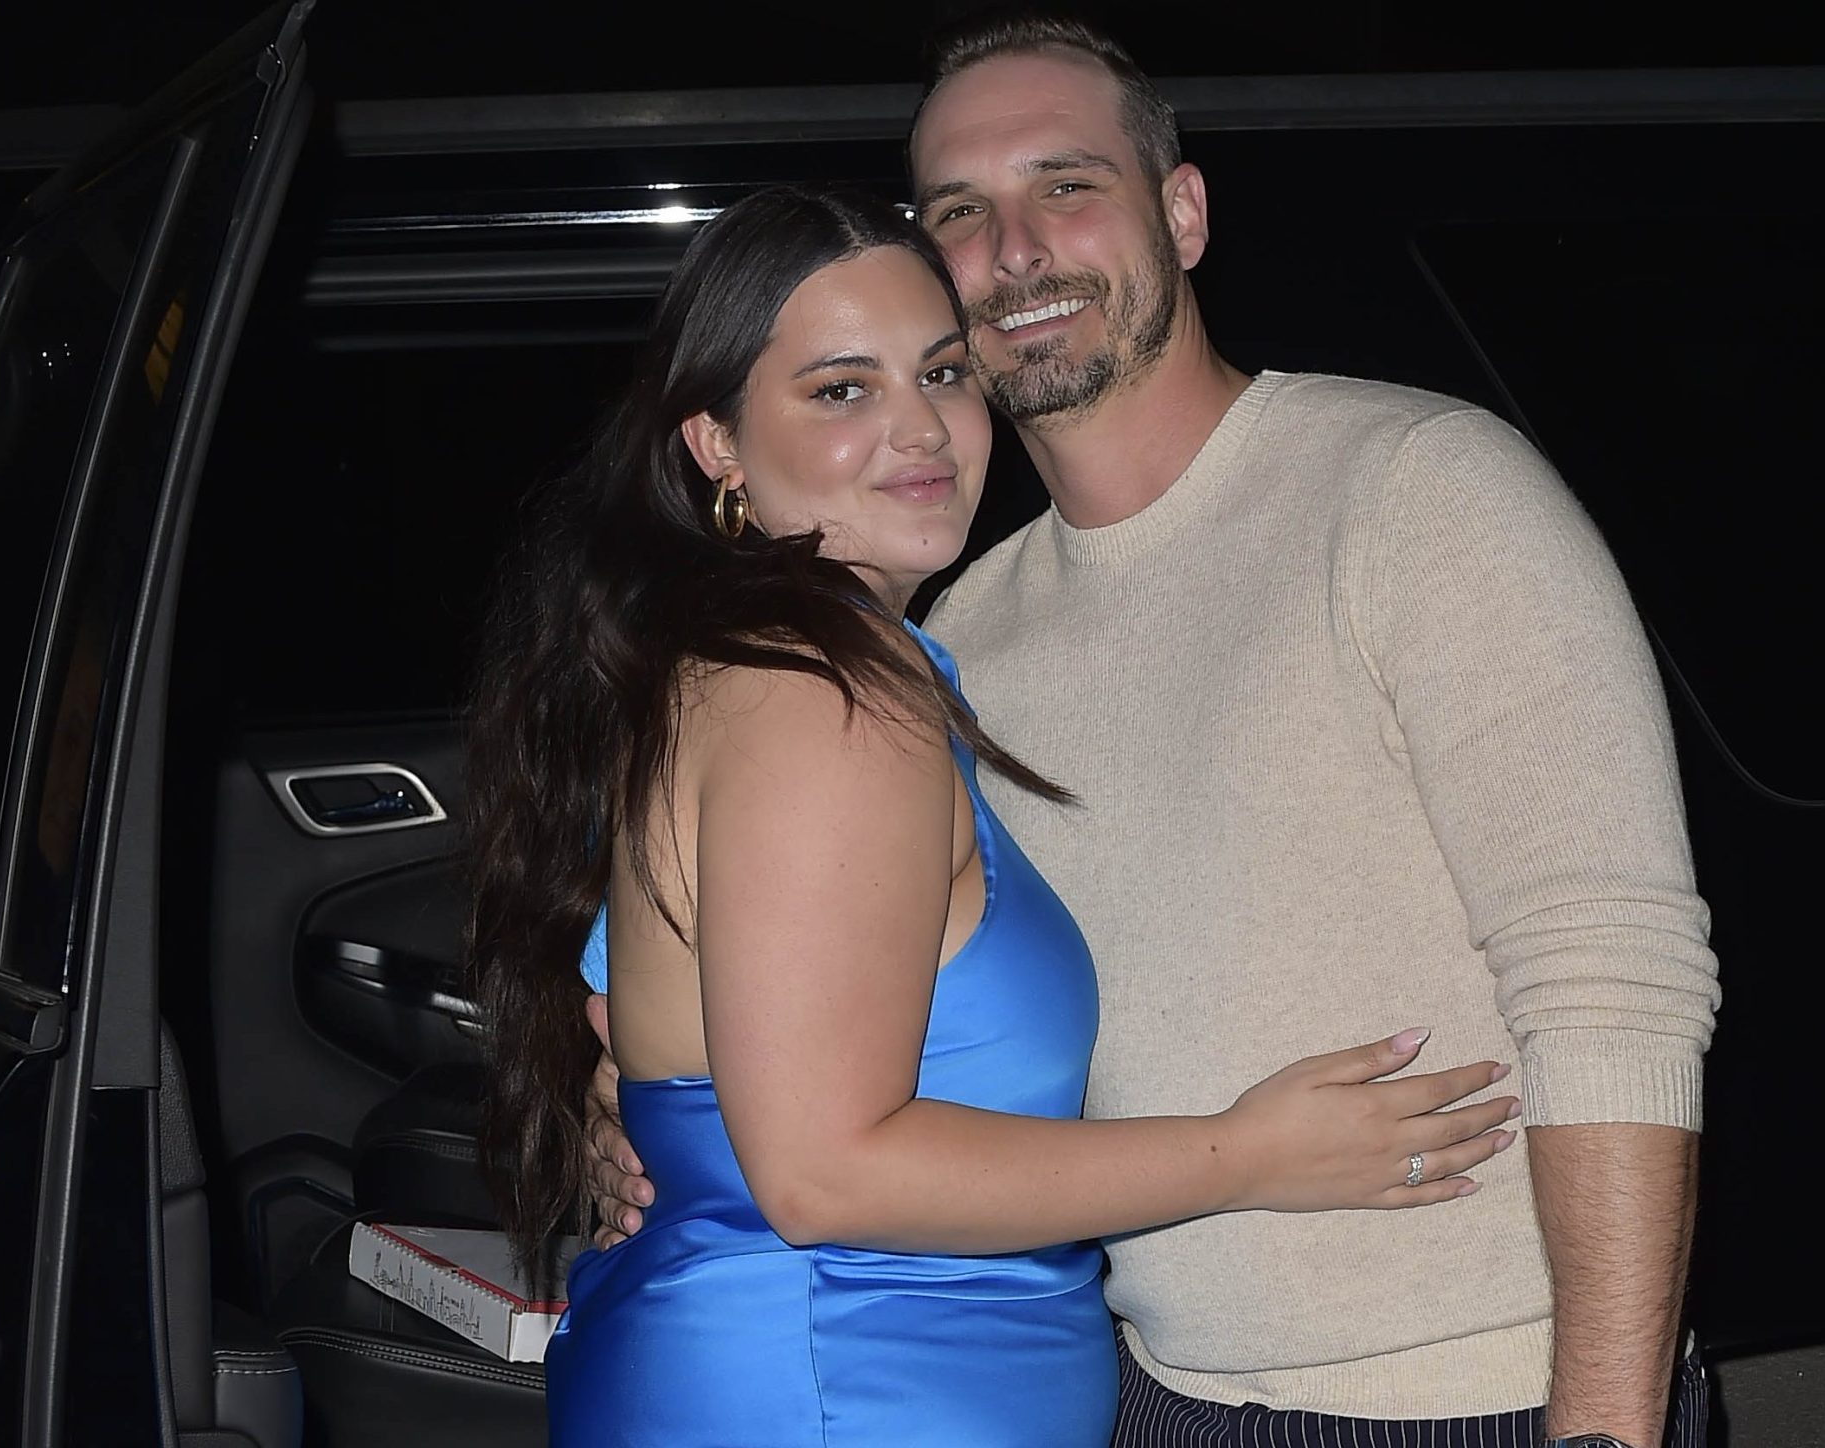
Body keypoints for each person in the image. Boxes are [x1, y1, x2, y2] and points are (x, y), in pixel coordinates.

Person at [591, 18, 1724, 1445]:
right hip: (1159, 1396)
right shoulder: (949, 637)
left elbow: (1613, 986)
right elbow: (785, 972)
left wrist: (1606, 1426)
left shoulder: (1416, 495)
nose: (1013, 249)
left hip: (1475, 1395)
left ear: (1181, 214)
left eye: (1066, 185)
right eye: (959, 212)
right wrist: (645, 1105)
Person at [465, 184, 1519, 1448]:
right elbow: (822, 1171)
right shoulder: (815, 694)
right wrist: (1246, 1154)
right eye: (841, 389)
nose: (922, 429)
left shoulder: (788, 659)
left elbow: (706, 1072)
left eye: (943, 371)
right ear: (718, 445)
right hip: (830, 1388)